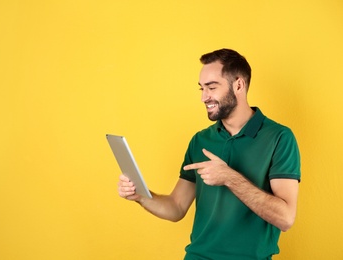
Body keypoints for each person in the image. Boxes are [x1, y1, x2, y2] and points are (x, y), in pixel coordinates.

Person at [117, 48, 301, 260]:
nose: (205, 97)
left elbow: (286, 218)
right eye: (202, 88)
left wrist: (229, 178)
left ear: (238, 85)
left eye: (212, 87)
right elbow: (176, 207)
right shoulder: (200, 141)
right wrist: (140, 196)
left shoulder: (279, 138)